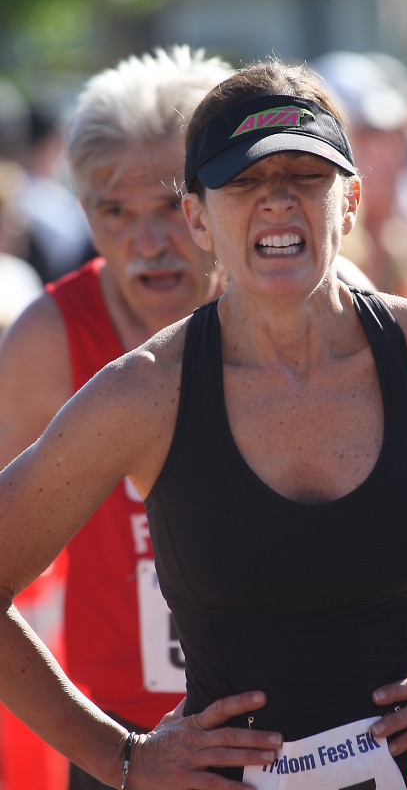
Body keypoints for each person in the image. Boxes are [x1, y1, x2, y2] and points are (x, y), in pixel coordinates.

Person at [0, 57, 407, 790]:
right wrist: (121, 759)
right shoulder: (143, 390)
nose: (277, 202)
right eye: (244, 181)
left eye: (306, 177)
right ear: (199, 217)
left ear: (349, 202)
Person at [0, 45, 233, 790]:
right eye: (116, 212)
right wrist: (111, 756)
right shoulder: (50, 336)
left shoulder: (310, 300)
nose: (148, 242)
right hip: (131, 740)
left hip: (323, 731)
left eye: (168, 206)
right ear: (84, 214)